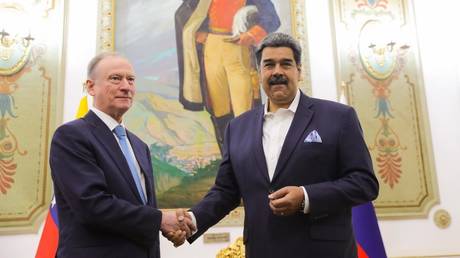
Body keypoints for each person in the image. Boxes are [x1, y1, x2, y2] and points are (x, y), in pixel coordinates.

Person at [181, 33, 379, 257]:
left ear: (299, 71)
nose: (277, 72)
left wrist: (306, 196)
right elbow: (226, 191)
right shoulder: (237, 128)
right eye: (269, 65)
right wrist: (191, 220)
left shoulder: (339, 117)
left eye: (286, 64)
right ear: (259, 73)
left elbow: (364, 183)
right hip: (262, 250)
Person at [49, 52, 193, 258]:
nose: (126, 86)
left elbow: (140, 209)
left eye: (131, 79)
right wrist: (160, 220)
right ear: (91, 87)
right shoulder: (71, 136)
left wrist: (167, 228)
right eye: (115, 78)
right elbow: (92, 205)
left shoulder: (139, 146)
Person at [175, 0, 281, 153]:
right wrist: (199, 32)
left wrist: (251, 35)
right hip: (211, 48)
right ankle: (228, 159)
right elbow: (186, 13)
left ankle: (248, 159)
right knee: (219, 108)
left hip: (238, 48)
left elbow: (271, 18)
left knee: (244, 108)